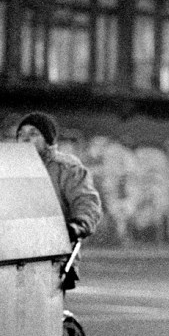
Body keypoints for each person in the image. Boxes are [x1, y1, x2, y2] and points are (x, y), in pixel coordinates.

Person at [15, 112, 102, 288]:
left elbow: (86, 201)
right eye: (20, 134)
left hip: (54, 255)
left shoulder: (66, 168)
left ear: (48, 139)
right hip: (15, 253)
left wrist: (78, 225)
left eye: (33, 134)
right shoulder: (10, 168)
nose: (25, 139)